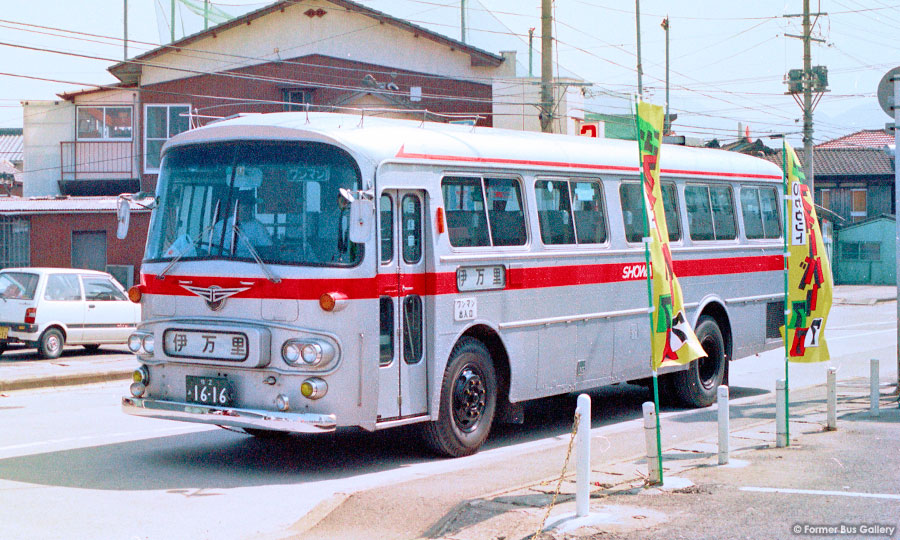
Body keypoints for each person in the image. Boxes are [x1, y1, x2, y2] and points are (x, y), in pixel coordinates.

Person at [212, 190, 274, 257]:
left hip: (250, 265)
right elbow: (209, 250)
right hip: (223, 264)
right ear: (234, 207)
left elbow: (268, 252)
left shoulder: (258, 228)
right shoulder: (221, 226)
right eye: (244, 206)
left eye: (250, 206)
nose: (248, 209)